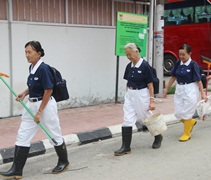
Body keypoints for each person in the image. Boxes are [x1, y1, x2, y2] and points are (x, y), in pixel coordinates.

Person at [0, 41, 69, 179]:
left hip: (45, 106)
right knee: (23, 135)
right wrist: (24, 93)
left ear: (38, 53)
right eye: (25, 52)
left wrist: (39, 112)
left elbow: (48, 90)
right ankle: (17, 169)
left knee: (54, 134)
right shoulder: (32, 67)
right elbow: (33, 85)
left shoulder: (44, 68)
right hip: (32, 103)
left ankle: (64, 161)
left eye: (29, 52)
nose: (27, 55)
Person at [114, 43, 163, 156]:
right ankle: (126, 147)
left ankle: (158, 136)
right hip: (130, 94)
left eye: (130, 54)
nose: (128, 57)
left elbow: (150, 85)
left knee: (147, 117)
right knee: (127, 118)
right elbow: (128, 82)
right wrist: (128, 94)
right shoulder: (129, 66)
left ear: (136, 52)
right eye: (126, 55)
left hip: (142, 94)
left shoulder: (145, 66)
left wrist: (151, 101)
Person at [164, 44, 207, 142]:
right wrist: (166, 89)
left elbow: (199, 80)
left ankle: (186, 133)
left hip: (190, 88)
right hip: (179, 88)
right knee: (178, 113)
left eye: (183, 54)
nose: (181, 57)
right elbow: (173, 77)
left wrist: (203, 94)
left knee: (187, 112)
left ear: (189, 54)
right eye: (180, 54)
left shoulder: (193, 65)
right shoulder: (178, 63)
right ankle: (190, 122)